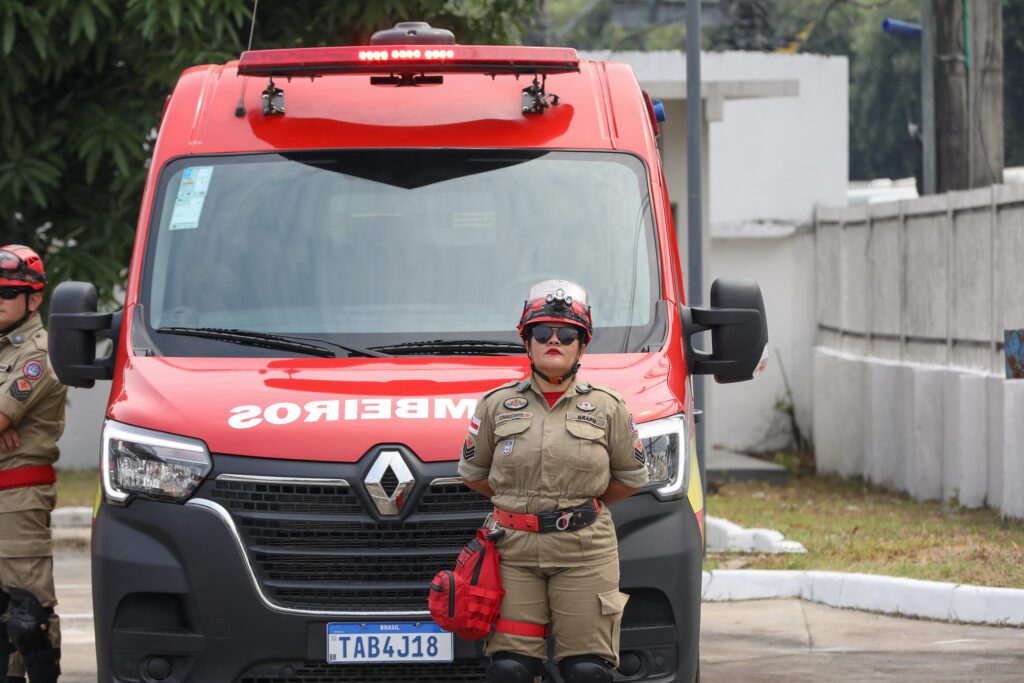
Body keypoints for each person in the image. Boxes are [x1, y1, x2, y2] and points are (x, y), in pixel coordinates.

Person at [459, 279, 650, 683]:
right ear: (526, 341)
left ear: (582, 345)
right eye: (542, 332)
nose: (554, 341)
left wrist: (580, 508)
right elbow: (476, 475)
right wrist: (521, 507)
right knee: (510, 669)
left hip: (585, 553)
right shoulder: (495, 405)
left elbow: (630, 478)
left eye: (567, 334)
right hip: (514, 555)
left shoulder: (608, 407)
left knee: (586, 671)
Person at [0, 245, 66, 683]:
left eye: (6, 292)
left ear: (33, 299)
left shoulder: (37, 353)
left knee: (28, 616)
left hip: (17, 499)